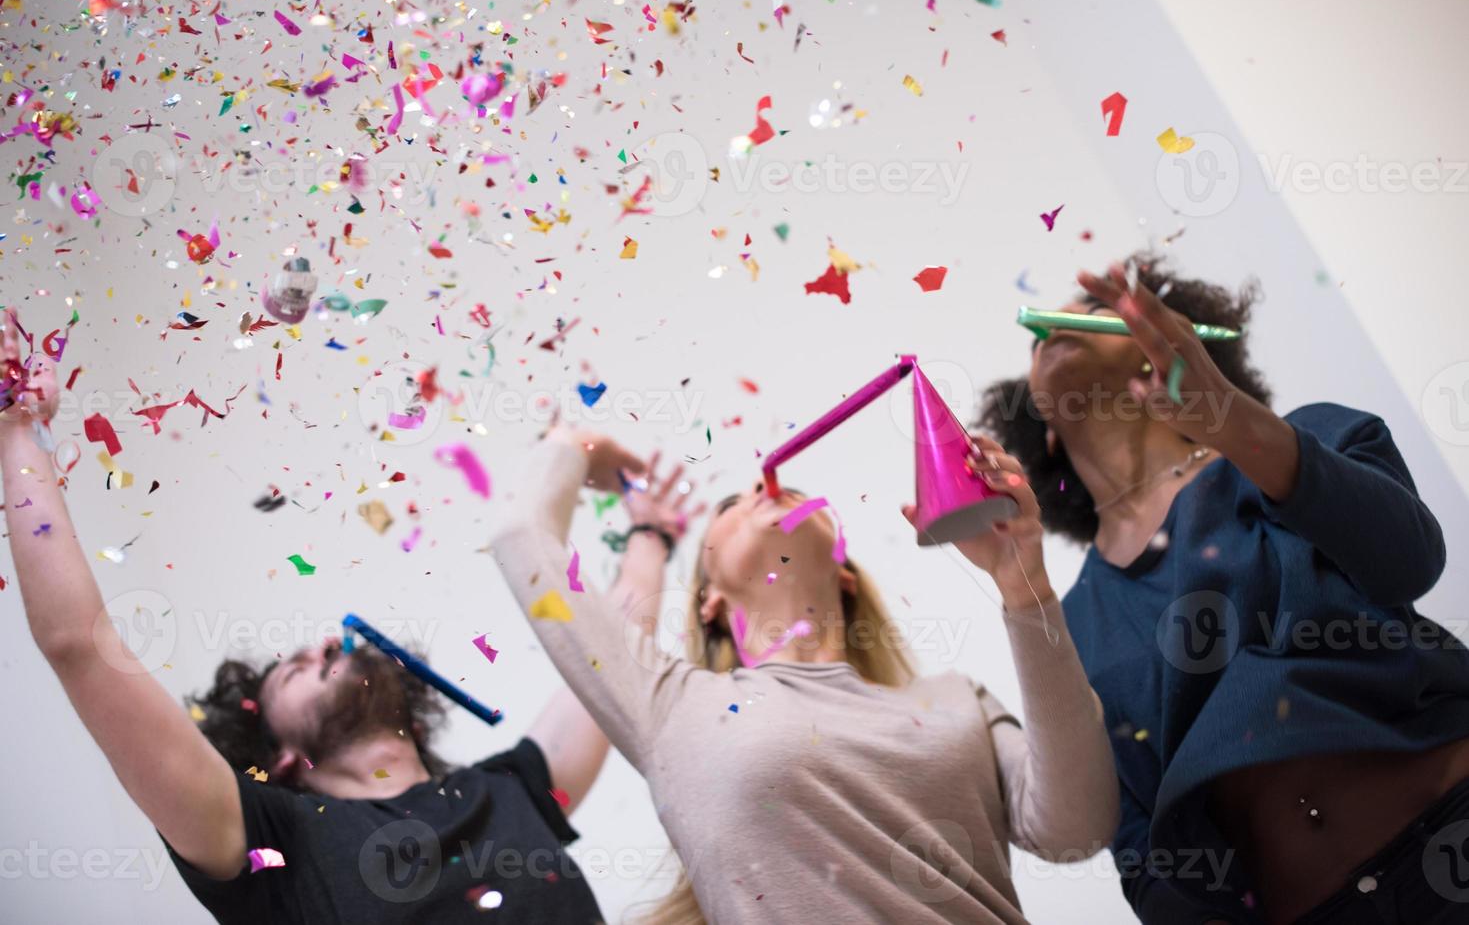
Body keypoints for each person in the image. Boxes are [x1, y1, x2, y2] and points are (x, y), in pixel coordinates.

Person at [2, 316, 689, 924]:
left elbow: (612, 652)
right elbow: (78, 646)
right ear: (278, 759)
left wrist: (651, 534)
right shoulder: (266, 839)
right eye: (295, 669)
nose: (327, 642)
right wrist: (17, 432)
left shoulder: (512, 790)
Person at [978, 253, 1469, 924]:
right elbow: (1140, 850)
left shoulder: (1304, 445)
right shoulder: (1071, 631)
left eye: (1092, 311)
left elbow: (1409, 560)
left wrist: (1230, 420)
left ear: (1159, 352)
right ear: (1048, 436)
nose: (1048, 334)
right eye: (1037, 339)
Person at [488, 422, 1120, 925]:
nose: (768, 488)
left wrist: (1023, 583)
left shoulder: (957, 699)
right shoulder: (671, 708)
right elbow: (524, 536)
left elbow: (1075, 830)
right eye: (734, 503)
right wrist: (575, 445)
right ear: (710, 599)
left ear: (844, 574)